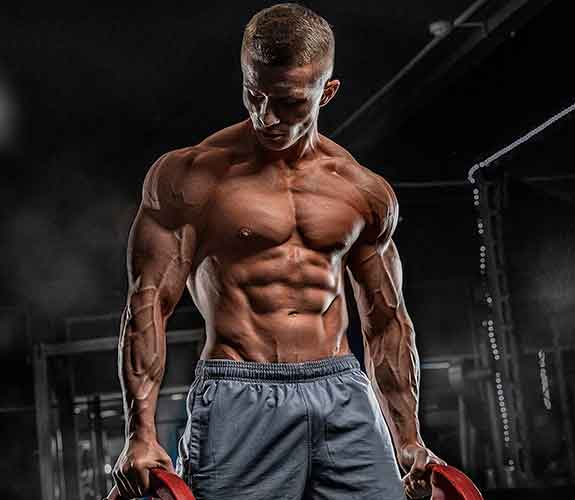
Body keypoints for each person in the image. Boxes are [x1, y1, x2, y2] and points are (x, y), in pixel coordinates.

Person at [112, 3, 444, 499]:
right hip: (238, 391)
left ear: (326, 93)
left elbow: (387, 320)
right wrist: (140, 434)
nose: (266, 115)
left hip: (342, 392)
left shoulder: (363, 191)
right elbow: (147, 305)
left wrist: (409, 437)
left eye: (289, 102)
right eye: (254, 94)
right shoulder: (193, 178)